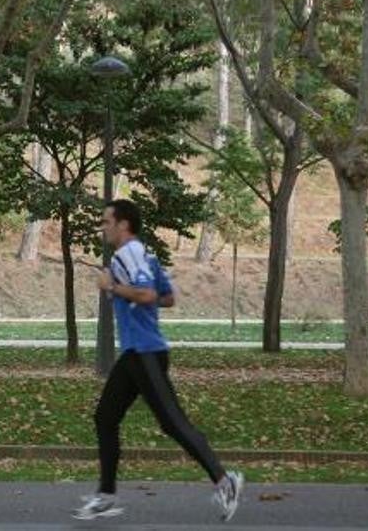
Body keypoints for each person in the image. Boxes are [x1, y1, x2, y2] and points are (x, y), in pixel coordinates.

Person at [74, 199, 243, 522]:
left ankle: (225, 481)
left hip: (145, 352)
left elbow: (149, 295)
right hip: (136, 353)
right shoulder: (146, 255)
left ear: (123, 224)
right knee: (105, 418)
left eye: (107, 221)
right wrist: (131, 295)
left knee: (173, 423)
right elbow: (168, 297)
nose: (103, 227)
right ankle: (106, 495)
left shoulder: (130, 254)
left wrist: (113, 286)